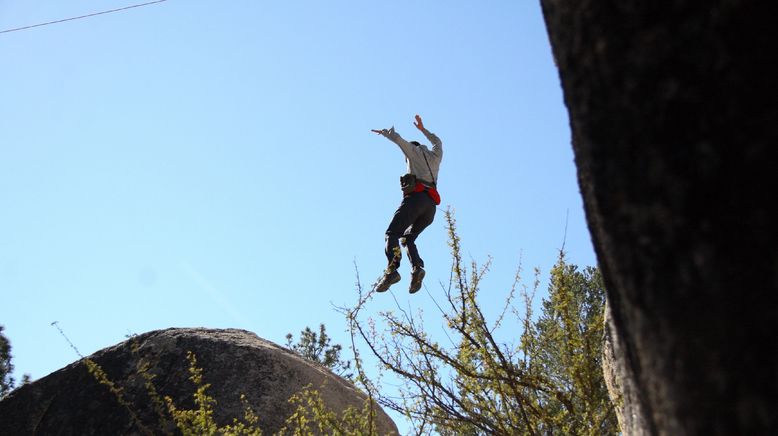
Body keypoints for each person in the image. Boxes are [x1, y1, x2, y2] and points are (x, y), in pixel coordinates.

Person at [371, 115, 443, 294]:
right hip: (431, 208)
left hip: (416, 200)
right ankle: (417, 268)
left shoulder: (413, 151)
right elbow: (438, 142)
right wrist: (423, 129)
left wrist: (386, 133)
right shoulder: (436, 156)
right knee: (408, 238)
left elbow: (399, 140)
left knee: (392, 233)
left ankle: (392, 271)